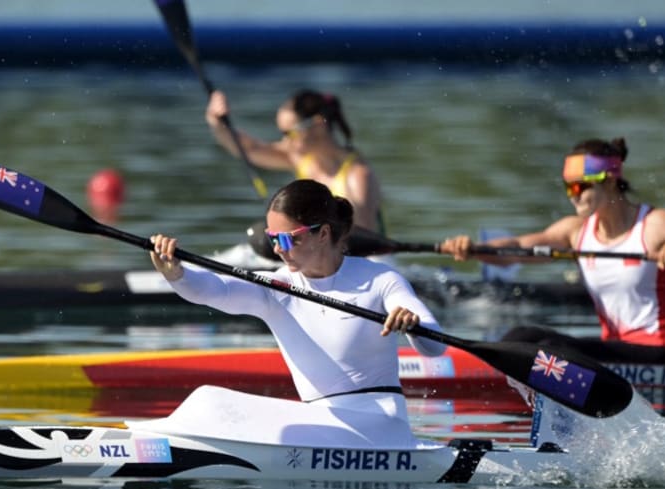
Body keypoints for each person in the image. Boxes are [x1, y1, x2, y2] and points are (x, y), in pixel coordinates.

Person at [150, 179, 445, 438]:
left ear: (323, 233)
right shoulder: (276, 289)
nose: (278, 248)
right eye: (272, 238)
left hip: (382, 425)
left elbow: (435, 347)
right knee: (210, 400)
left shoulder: (380, 280)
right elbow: (212, 289)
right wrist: (176, 273)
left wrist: (413, 325)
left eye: (288, 238)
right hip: (323, 424)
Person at [440, 137, 665, 364]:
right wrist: (475, 249)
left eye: (580, 187)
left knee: (552, 348)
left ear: (611, 181)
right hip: (613, 353)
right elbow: (516, 249)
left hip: (661, 355)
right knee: (523, 335)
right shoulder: (576, 231)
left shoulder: (657, 224)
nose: (574, 196)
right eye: (569, 189)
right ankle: (483, 369)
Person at [206, 88, 385, 235]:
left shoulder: (358, 176)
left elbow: (363, 242)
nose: (284, 142)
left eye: (289, 133)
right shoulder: (301, 159)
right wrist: (217, 122)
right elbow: (250, 150)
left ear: (317, 124)